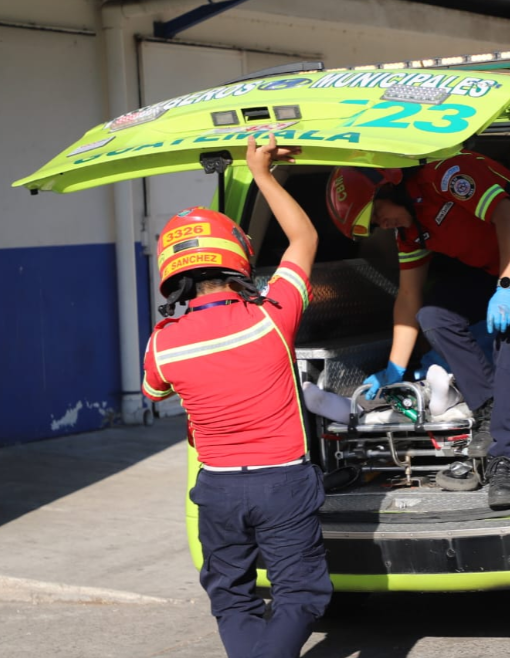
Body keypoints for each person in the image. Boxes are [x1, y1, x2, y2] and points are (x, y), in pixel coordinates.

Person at [142, 135, 330, 658]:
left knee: (231, 596)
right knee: (300, 594)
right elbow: (303, 238)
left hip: (218, 491)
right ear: (238, 258)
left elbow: (154, 390)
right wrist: (263, 174)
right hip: (284, 484)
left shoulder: (162, 344)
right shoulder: (271, 317)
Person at [325, 151, 510, 509]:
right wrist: (394, 368)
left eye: (376, 214)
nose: (380, 225)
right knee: (435, 315)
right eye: (370, 225)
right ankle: (492, 407)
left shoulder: (447, 175)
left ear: (390, 184)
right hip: (497, 266)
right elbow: (409, 297)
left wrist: (507, 287)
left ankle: (503, 460)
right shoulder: (409, 231)